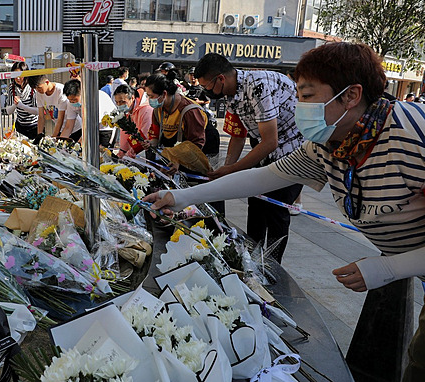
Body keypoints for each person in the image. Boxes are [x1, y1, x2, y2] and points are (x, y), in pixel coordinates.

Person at [145, 42, 425, 382]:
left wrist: (388, 267)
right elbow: (265, 177)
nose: (297, 106)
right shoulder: (328, 145)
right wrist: (181, 196)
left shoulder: (411, 136)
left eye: (307, 95)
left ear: (351, 96)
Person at [194, 53, 304, 262]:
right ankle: (250, 261)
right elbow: (238, 135)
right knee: (256, 206)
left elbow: (270, 142)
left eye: (207, 87)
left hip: (293, 149)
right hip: (267, 145)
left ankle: (271, 266)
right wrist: (227, 169)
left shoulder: (257, 87)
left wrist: (232, 170)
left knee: (276, 210)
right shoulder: (231, 94)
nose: (207, 93)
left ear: (220, 79)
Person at [144, 72, 207, 174]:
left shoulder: (189, 111)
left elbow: (196, 143)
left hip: (200, 150)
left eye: (151, 96)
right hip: (176, 151)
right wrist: (150, 144)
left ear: (164, 94)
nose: (149, 100)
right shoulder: (158, 109)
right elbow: (155, 136)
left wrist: (179, 161)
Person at [62, 79, 117, 146]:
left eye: (74, 99)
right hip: (89, 127)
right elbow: (68, 127)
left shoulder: (95, 99)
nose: (72, 102)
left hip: (106, 128)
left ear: (82, 93)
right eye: (69, 100)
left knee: (103, 152)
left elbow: (92, 125)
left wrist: (80, 143)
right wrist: (61, 143)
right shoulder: (70, 103)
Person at [112, 84, 153, 158]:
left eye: (122, 102)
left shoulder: (146, 110)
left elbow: (145, 134)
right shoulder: (126, 112)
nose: (119, 105)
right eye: (117, 102)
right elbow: (124, 133)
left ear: (132, 98)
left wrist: (130, 153)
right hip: (134, 150)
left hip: (146, 150)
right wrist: (122, 152)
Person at [4, 61, 38, 139]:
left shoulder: (32, 87)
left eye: (20, 75)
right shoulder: (12, 88)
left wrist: (22, 106)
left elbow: (37, 111)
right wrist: (15, 104)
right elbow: (8, 111)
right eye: (15, 75)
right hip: (20, 126)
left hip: (34, 126)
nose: (18, 78)